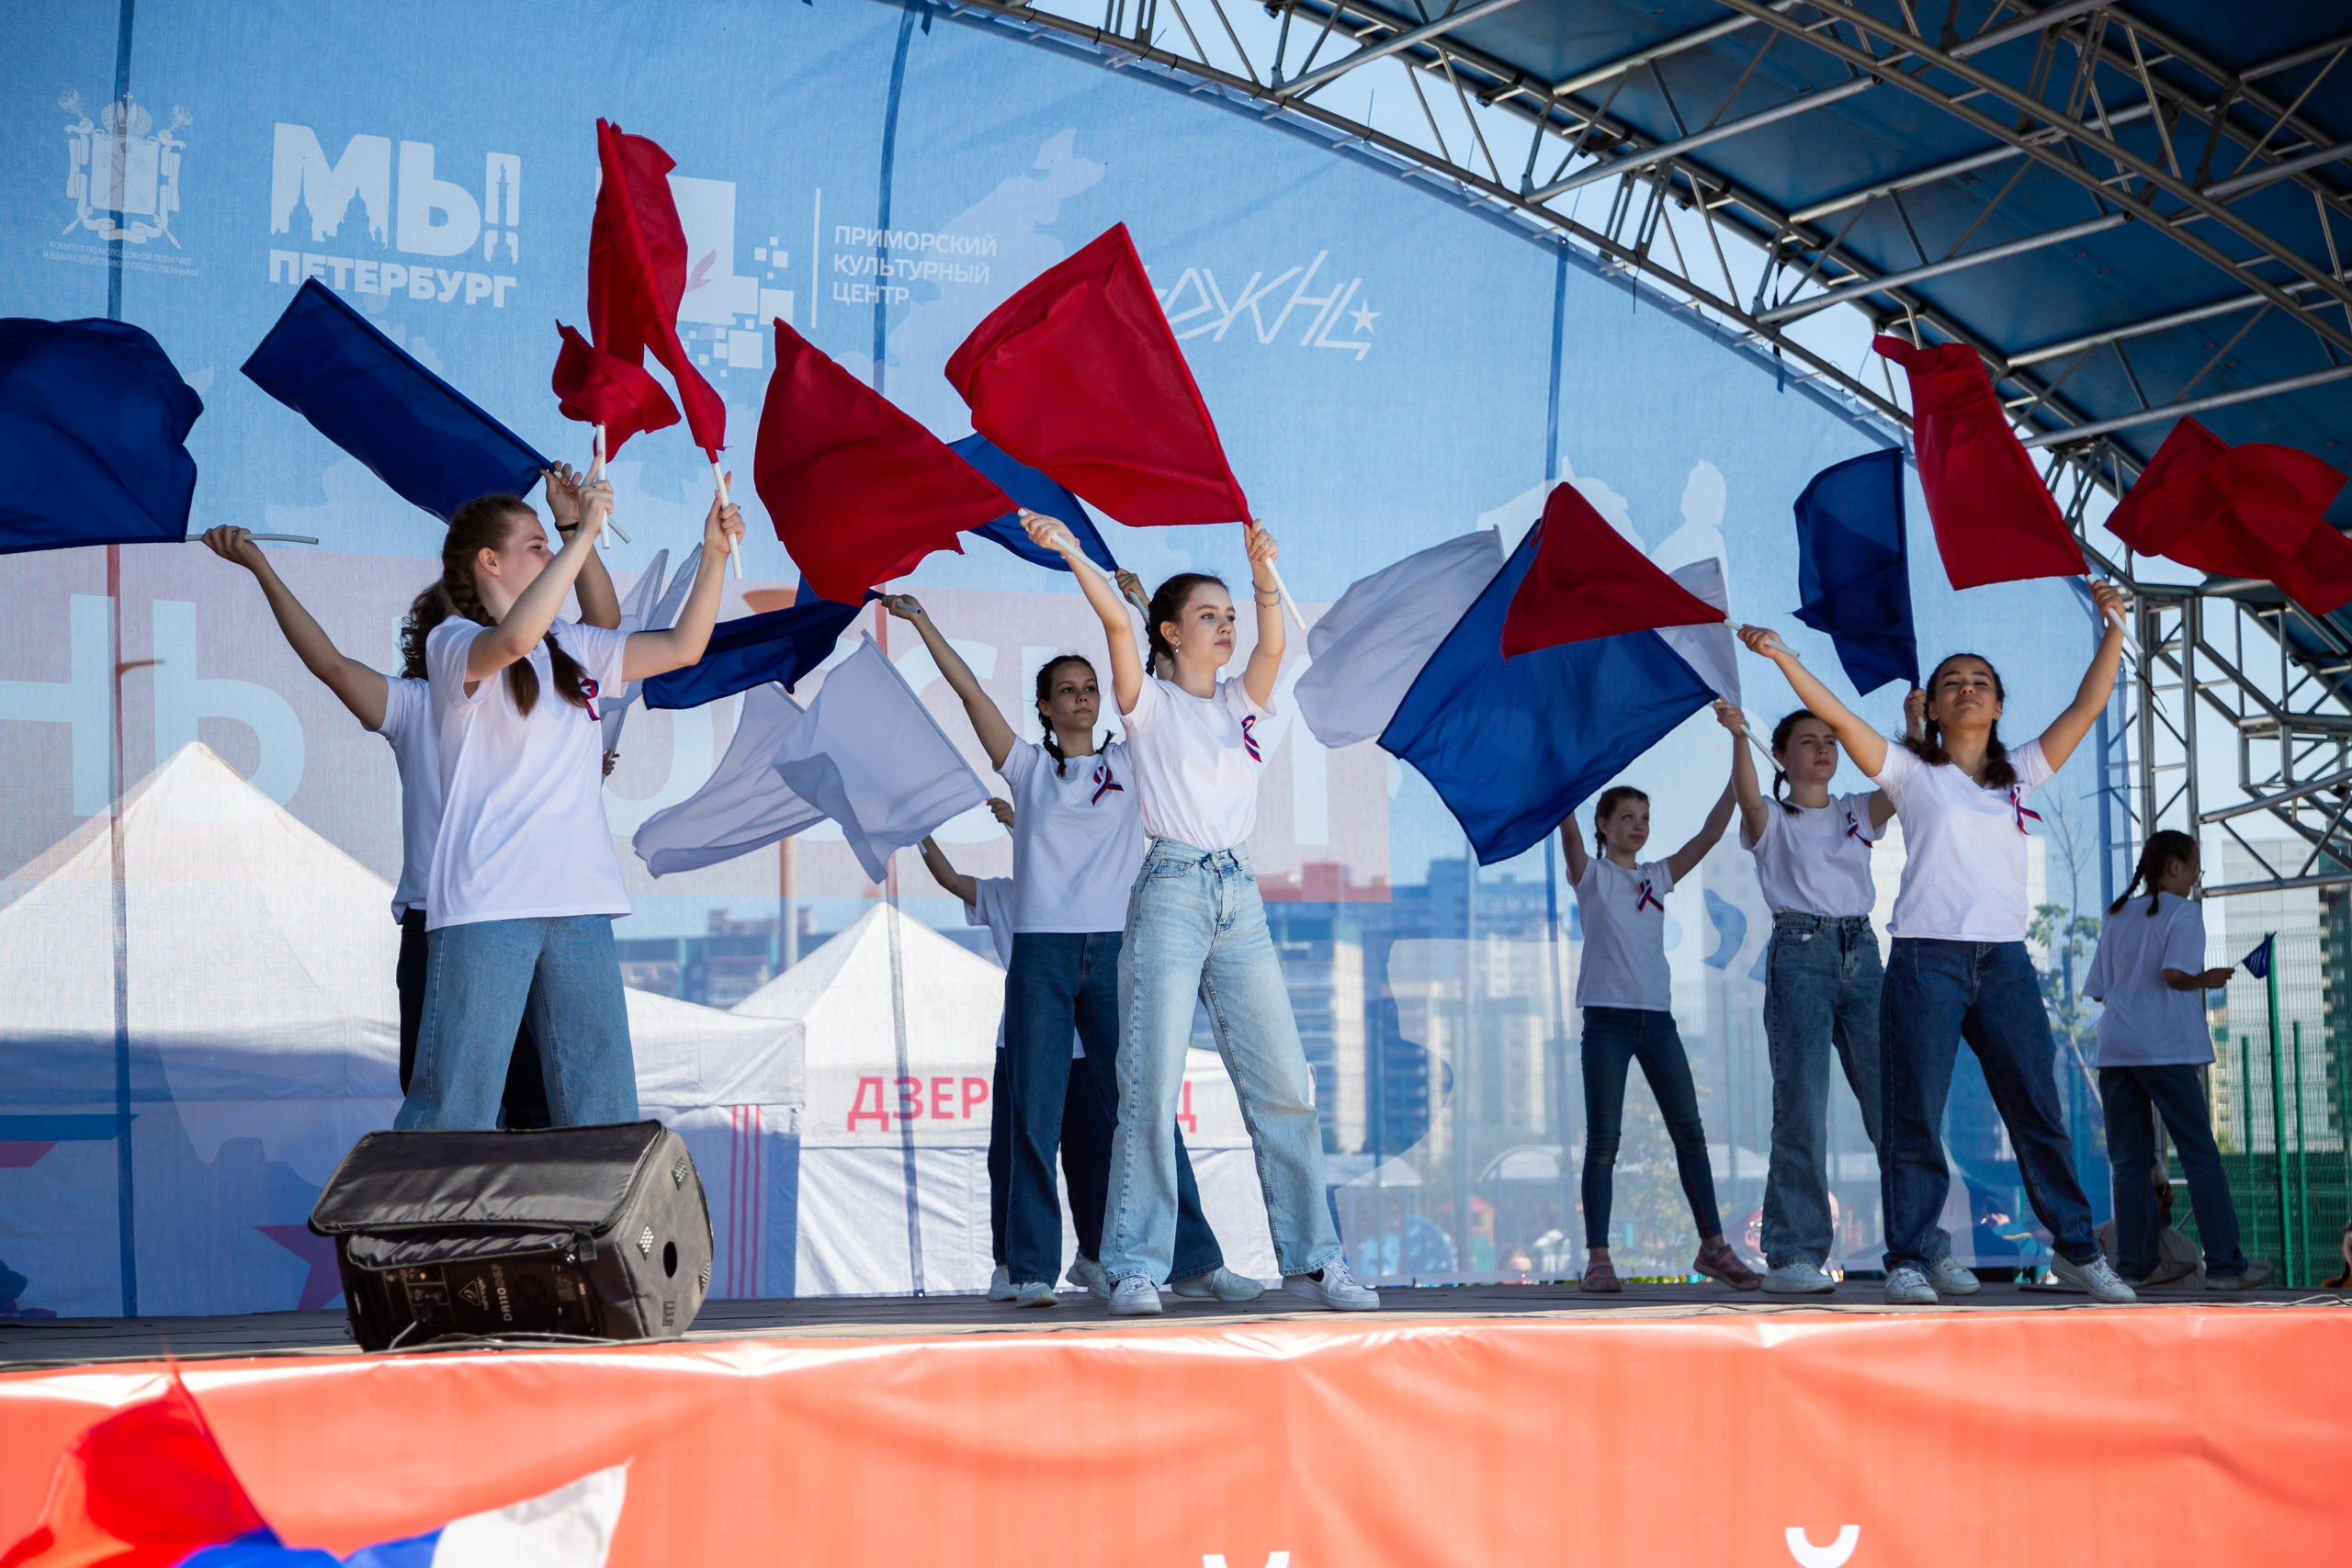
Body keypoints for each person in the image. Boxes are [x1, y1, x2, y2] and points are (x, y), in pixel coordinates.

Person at [1741, 590, 2143, 1304]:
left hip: (2006, 961)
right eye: (1952, 682)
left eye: (1980, 683)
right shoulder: (1907, 771)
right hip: (1927, 961)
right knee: (1912, 1117)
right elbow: (1835, 715)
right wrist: (1783, 658)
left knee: (2038, 1112)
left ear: (1996, 705)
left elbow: (2086, 707)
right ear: (1932, 706)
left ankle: (2078, 1250)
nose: (1966, 689)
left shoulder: (2020, 770)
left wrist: (2115, 627)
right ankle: (1908, 1258)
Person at [1028, 508, 1377, 1314]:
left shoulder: (1240, 705)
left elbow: (1274, 646)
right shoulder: (1146, 705)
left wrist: (1261, 573)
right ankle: (1136, 1262)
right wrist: (1072, 550)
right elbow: (1114, 620)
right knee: (1148, 1087)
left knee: (1286, 1082)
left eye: (1229, 616)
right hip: (1174, 893)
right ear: (1171, 632)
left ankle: (1315, 1258)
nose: (1225, 627)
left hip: (1239, 898)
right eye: (1209, 617)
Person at [198, 469, 625, 1127]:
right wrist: (259, 568)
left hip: (523, 913)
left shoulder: (539, 697)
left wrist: (572, 532)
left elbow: (603, 629)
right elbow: (333, 666)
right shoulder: (414, 704)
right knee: (453, 1118)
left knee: (547, 1116)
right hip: (444, 922)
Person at [892, 592, 1261, 1309]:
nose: (1084, 699)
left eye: (1090, 688)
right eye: (1067, 691)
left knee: (1144, 1106)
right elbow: (969, 692)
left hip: (1118, 950)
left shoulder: (1134, 760)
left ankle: (1191, 1258)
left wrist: (1137, 601)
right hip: (1043, 956)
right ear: (1045, 707)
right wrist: (925, 624)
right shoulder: (1029, 771)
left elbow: (1160, 664)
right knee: (1034, 1108)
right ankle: (1028, 1267)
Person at [395, 471, 741, 1130]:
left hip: (579, 903)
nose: (550, 555)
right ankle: (430, 1230)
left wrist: (715, 557)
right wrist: (580, 534)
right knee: (456, 1108)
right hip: (487, 903)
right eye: (535, 545)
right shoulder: (452, 642)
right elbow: (515, 640)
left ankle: (593, 1233)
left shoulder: (575, 647)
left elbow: (681, 646)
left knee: (604, 1109)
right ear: (488, 561)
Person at [918, 814, 1254, 1308]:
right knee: (1015, 1155)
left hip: (1092, 1047)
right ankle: (1014, 1266)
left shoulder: (1102, 893)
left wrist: (1026, 826)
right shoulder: (1011, 897)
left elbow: (1070, 853)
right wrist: (916, 831)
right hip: (1024, 1044)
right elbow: (952, 879)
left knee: (1105, 1155)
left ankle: (1112, 1258)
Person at [1728, 698, 1973, 1296]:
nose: (1822, 748)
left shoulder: (1855, 812)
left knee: (1895, 1106)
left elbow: (1905, 786)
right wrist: (1740, 734)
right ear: (1781, 757)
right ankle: (1792, 1253)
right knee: (1803, 1107)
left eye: (1829, 740)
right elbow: (1750, 801)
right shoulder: (1774, 819)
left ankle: (1925, 1249)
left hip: (1862, 954)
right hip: (1800, 954)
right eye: (1807, 741)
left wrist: (1914, 730)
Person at [1561, 705, 1757, 1293]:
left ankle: (1714, 1247)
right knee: (1605, 1140)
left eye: (1645, 816)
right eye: (1626, 817)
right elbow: (1564, 825)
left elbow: (1711, 831)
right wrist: (1559, 775)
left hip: (1658, 1022)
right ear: (1603, 824)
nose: (1638, 824)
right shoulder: (1590, 875)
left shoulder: (1657, 876)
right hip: (1607, 1022)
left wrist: (1738, 754)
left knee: (1689, 1132)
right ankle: (1599, 1258)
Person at [2082, 829, 2272, 1290]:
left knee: (2130, 1162)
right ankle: (2226, 1267)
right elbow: (2173, 974)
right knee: (2200, 1155)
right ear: (2174, 868)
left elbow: (2100, 988)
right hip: (2164, 1047)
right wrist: (2206, 978)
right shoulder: (2184, 913)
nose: (2195, 877)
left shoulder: (2118, 914)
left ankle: (2135, 1266)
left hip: (2116, 1049)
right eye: (2194, 868)